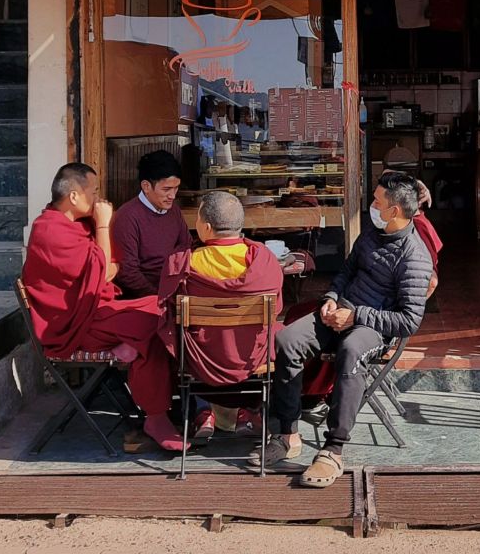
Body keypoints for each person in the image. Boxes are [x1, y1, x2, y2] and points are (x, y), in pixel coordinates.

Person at [250, 171, 433, 487]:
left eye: (377, 202)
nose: (372, 206)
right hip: (340, 311)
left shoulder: (415, 257)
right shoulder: (371, 234)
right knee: (287, 340)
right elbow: (346, 271)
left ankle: (333, 450)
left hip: (373, 326)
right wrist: (332, 298)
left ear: (395, 211)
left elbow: (408, 321)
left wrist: (356, 316)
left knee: (350, 352)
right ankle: (287, 434)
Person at [22, 163, 185, 451]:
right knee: (152, 325)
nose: (99, 199)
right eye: (93, 191)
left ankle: (163, 400)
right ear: (74, 196)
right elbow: (105, 272)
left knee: (162, 307)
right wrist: (102, 223)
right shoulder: (48, 230)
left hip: (96, 309)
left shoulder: (73, 224)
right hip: (75, 324)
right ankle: (156, 417)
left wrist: (106, 259)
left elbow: (110, 265)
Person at [157, 190, 284, 441]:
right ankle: (252, 409)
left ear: (205, 226)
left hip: (199, 360)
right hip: (251, 356)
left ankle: (203, 411)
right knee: (284, 332)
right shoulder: (264, 260)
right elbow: (277, 308)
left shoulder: (183, 263)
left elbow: (168, 313)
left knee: (176, 335)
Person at [113, 150, 191, 298]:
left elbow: (186, 247)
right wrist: (159, 298)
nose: (173, 196)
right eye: (166, 189)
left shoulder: (174, 210)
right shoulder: (127, 217)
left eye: (176, 188)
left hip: (175, 291)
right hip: (144, 299)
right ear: (146, 186)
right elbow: (128, 272)